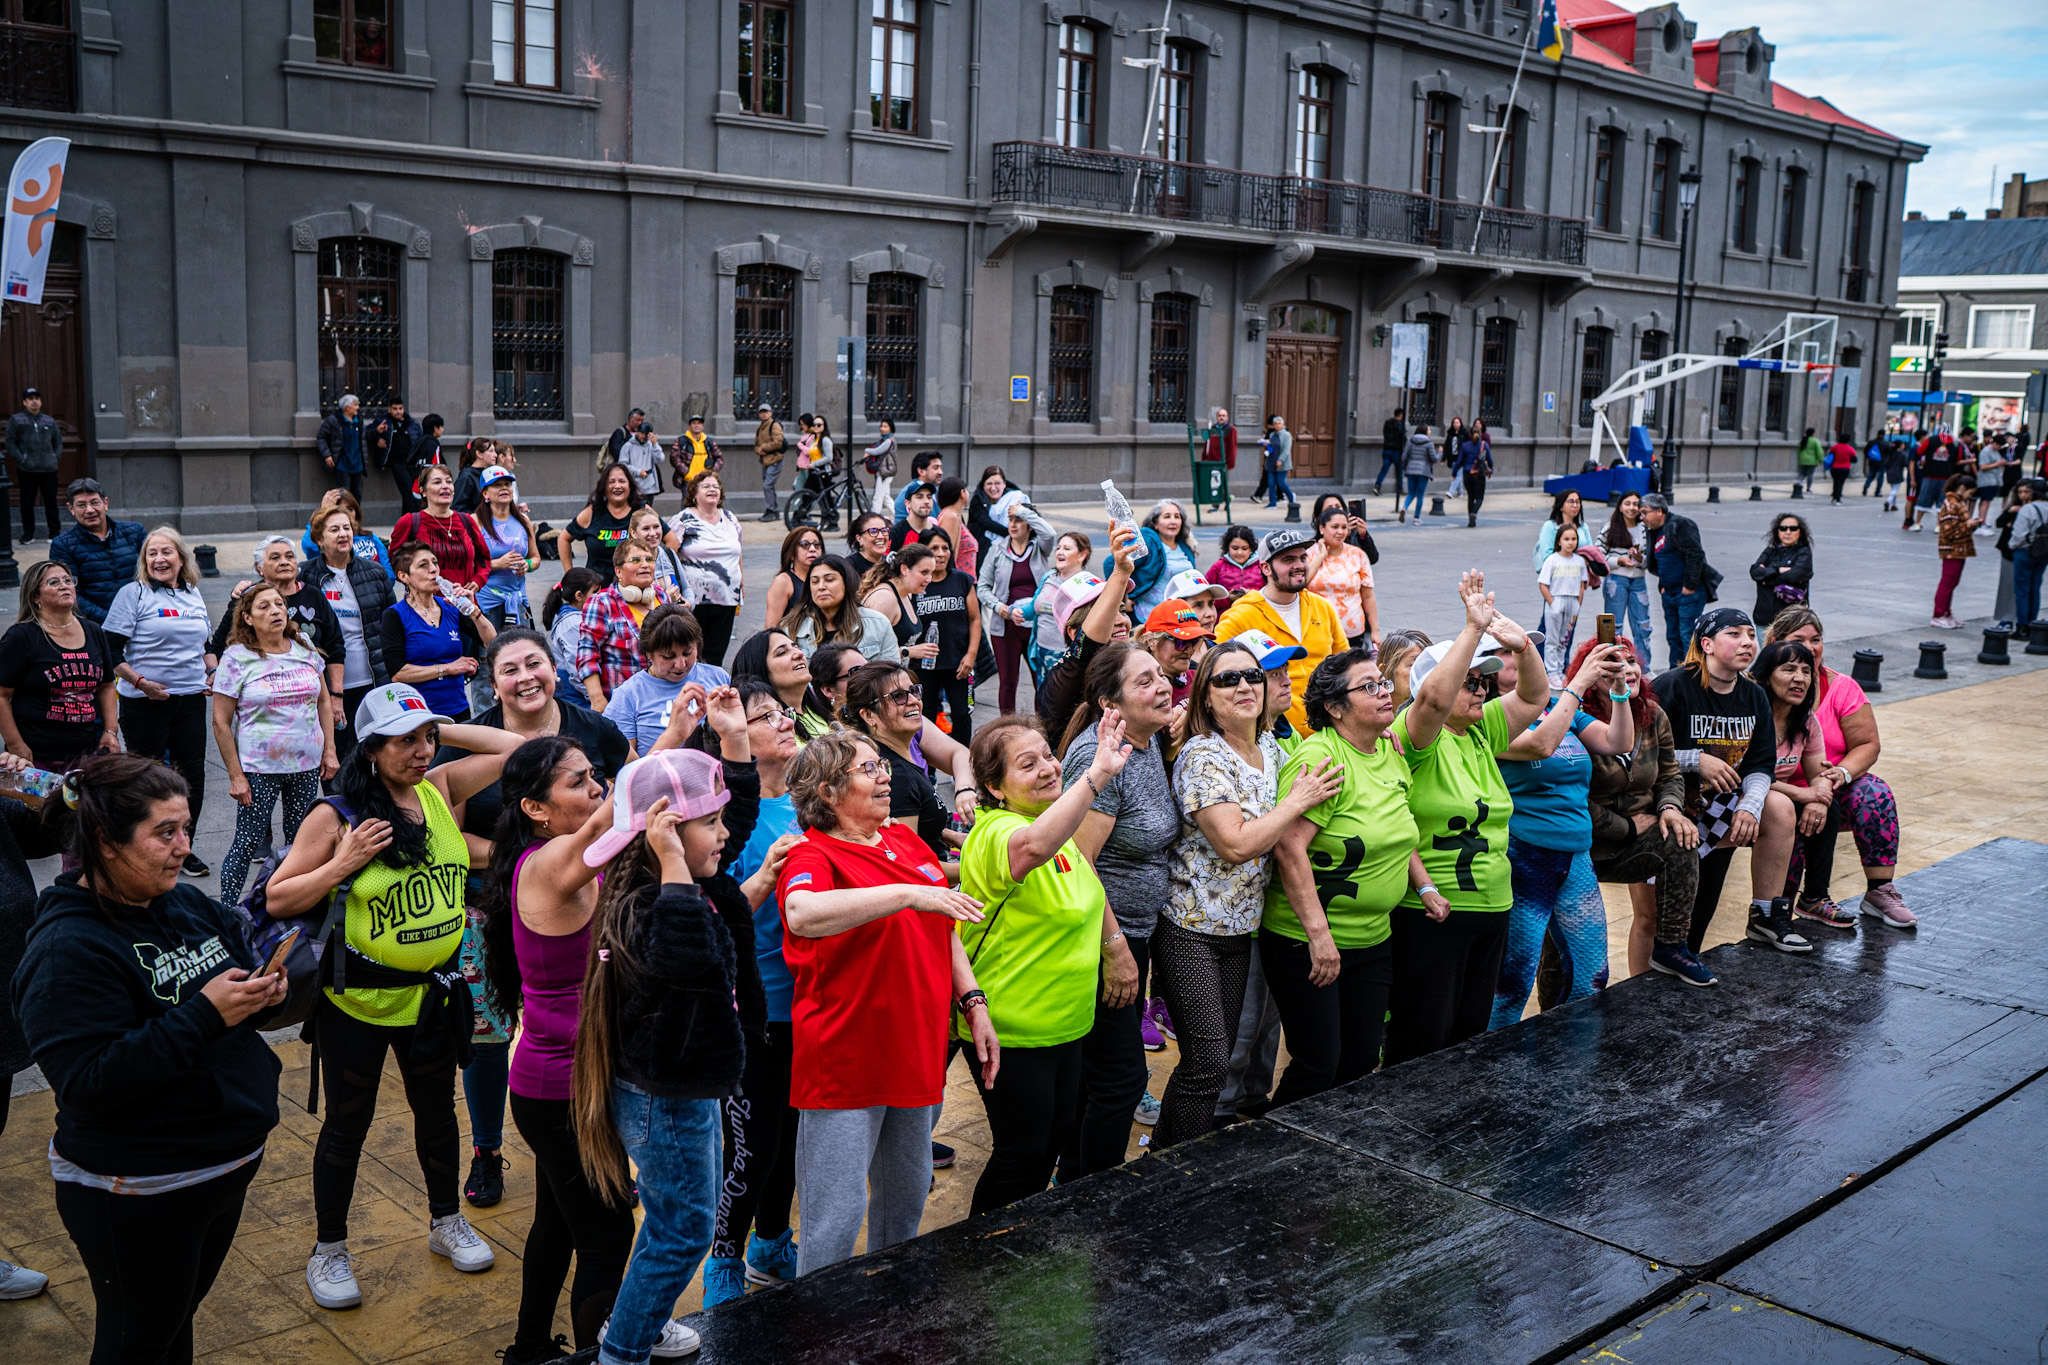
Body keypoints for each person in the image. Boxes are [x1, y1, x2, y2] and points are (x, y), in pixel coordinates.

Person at [14, 753, 291, 1358]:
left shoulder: (184, 904)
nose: (183, 846)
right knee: (135, 1342)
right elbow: (87, 1081)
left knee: (171, 1327)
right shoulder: (66, 949)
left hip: (219, 1165)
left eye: (187, 827)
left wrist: (262, 996)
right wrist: (207, 1012)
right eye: (164, 832)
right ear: (107, 843)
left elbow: (231, 990)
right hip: (138, 1189)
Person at [570, 720, 761, 1364]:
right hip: (664, 1101)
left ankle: (639, 1326)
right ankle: (622, 1351)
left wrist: (732, 741)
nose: (727, 834)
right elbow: (682, 960)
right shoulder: (651, 904)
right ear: (666, 835)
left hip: (688, 1091)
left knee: (684, 1223)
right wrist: (677, 863)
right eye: (711, 824)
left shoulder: (685, 889)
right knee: (683, 1233)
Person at [776, 729, 996, 1274]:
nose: (885, 777)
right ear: (827, 791)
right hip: (847, 1061)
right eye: (869, 769)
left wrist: (973, 1001)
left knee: (906, 1197)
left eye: (882, 766)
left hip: (915, 1047)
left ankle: (890, 1320)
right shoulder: (812, 853)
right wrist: (908, 894)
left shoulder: (903, 840)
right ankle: (819, 1332)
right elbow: (803, 914)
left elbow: (942, 929)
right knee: (836, 1216)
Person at [475, 736, 637, 1363]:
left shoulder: (557, 857)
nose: (595, 787)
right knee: (607, 1233)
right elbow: (616, 815)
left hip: (573, 1084)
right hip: (562, 1092)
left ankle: (531, 1348)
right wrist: (675, 735)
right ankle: (606, 1355)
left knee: (559, 1224)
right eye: (578, 781)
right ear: (535, 809)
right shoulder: (549, 866)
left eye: (595, 776)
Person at [1156, 643, 1340, 1138]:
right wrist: (1295, 802)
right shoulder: (1202, 754)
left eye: (1252, 678)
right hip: (1189, 928)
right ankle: (1169, 1161)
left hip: (1240, 929)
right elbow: (1235, 845)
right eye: (1227, 679)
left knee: (1215, 1060)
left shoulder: (1274, 751)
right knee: (1209, 1061)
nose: (1243, 687)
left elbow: (1337, 747)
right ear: (1205, 698)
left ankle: (1172, 1156)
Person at [956, 711, 1128, 1209]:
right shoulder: (998, 831)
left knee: (1054, 1140)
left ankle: (1023, 1242)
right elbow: (1030, 849)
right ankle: (982, 1255)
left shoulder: (1059, 827)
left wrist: (1114, 946)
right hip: (1011, 1027)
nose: (1049, 769)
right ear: (994, 787)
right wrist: (1097, 775)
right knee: (1021, 1153)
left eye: (1049, 756)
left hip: (1067, 1024)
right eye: (1027, 764)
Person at [1382, 577, 1549, 1065]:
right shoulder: (1418, 733)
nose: (1482, 689)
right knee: (1422, 1035)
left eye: (1484, 681)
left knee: (1469, 1033)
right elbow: (1433, 701)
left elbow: (1534, 698)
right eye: (1470, 681)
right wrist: (1472, 630)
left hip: (1492, 906)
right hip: (1434, 913)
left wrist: (1521, 647)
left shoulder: (1480, 730)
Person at [702, 681, 808, 1306]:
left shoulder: (809, 803)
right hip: (751, 1008)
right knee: (753, 1142)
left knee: (792, 1134)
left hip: (809, 1002)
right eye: (765, 719)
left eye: (783, 712)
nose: (784, 723)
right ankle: (725, 1256)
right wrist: (767, 874)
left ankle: (771, 1240)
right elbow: (713, 916)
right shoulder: (724, 819)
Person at [1057, 641, 1178, 1177]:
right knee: (1121, 1080)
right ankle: (1093, 1191)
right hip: (1101, 941)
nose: (1162, 686)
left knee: (1097, 1077)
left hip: (1134, 934)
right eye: (1145, 681)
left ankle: (1072, 1174)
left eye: (1161, 675)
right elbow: (1078, 864)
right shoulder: (1098, 757)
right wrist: (1115, 951)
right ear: (1112, 703)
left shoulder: (1146, 743)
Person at [1490, 640, 1636, 1025]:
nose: (1525, 656)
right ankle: (1489, 1071)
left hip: (1575, 854)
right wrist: (1579, 682)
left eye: (1530, 649)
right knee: (1512, 985)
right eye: (1511, 651)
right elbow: (1541, 744)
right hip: (1526, 855)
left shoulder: (1557, 706)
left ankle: (1569, 1062)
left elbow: (1618, 742)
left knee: (1593, 975)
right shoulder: (1489, 715)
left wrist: (1619, 691)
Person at [1651, 607, 1807, 955]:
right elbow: (1639, 752)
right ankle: (1646, 988)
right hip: (1667, 803)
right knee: (1656, 920)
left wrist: (1750, 808)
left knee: (1700, 911)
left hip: (1720, 808)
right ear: (1706, 643)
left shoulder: (1753, 696)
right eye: (1733, 634)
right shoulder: (1673, 686)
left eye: (1751, 635)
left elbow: (1760, 765)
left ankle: (1767, 913)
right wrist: (1696, 759)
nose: (1747, 642)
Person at [1762, 608, 1915, 929]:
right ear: (1775, 645)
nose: (1811, 647)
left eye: (1816, 640)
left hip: (1826, 785)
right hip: (1773, 791)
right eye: (1799, 640)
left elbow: (1868, 744)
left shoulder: (1841, 687)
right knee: (1786, 813)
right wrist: (1806, 794)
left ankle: (1878, 891)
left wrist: (1834, 779)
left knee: (1874, 793)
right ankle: (1776, 908)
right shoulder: (1755, 693)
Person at [1576, 636, 1709, 986]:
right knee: (1572, 950)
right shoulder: (1574, 721)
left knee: (1681, 839)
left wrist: (1669, 808)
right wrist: (1626, 827)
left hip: (1633, 840)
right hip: (1581, 845)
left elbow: (1669, 773)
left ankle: (1672, 946)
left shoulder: (1651, 715)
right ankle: (1555, 1015)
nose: (1626, 670)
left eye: (1631, 661)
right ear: (1591, 675)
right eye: (1613, 663)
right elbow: (1572, 798)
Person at [212, 584, 339, 902]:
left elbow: (324, 702)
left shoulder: (304, 645)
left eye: (279, 604)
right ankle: (227, 912)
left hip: (306, 766)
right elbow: (220, 722)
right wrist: (235, 775)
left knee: (302, 845)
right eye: (264, 607)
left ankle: (293, 907)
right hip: (260, 769)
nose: (275, 611)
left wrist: (329, 750)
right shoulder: (237, 657)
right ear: (248, 617)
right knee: (247, 842)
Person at [104, 527, 214, 876]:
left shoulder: (193, 594)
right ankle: (144, 851)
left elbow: (206, 646)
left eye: (166, 552)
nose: (159, 559)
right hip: (144, 702)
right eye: (152, 553)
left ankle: (183, 847)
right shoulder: (133, 594)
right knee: (147, 778)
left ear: (181, 558)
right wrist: (140, 682)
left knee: (191, 776)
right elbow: (111, 650)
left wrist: (213, 671)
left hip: (190, 699)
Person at [1746, 638, 1852, 935]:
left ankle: (1814, 898)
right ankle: (1768, 910)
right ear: (1766, 674)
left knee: (1827, 808)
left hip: (1776, 797)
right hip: (1744, 796)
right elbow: (1745, 773)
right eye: (1789, 669)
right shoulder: (1749, 713)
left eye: (1806, 671)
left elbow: (1821, 772)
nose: (1800, 678)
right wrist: (1803, 793)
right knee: (1789, 807)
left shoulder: (1805, 721)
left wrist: (1818, 798)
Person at [1215, 528, 1345, 735]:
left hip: (1328, 734)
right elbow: (1210, 672)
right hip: (1271, 737)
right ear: (1266, 568)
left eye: (1303, 557)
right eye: (1288, 560)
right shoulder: (1241, 615)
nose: (1299, 566)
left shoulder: (1323, 607)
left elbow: (1345, 667)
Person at [842, 660, 968, 864]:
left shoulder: (897, 752)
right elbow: (909, 864)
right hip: (932, 889)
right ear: (868, 715)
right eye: (898, 696)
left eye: (914, 691)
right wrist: (977, 869)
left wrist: (952, 836)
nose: (913, 701)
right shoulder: (894, 776)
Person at [0, 560, 119, 773]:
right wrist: (15, 744)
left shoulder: (93, 631)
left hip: (86, 753)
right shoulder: (22, 636)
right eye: (53, 582)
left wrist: (110, 731)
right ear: (35, 596)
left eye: (67, 580)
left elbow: (107, 686)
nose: (64, 586)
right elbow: (1, 695)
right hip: (37, 755)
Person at [384, 543, 497, 725]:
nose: (434, 570)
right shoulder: (395, 615)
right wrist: (448, 668)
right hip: (418, 713)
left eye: (435, 563)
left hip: (458, 709)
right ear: (404, 576)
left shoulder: (450, 606)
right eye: (423, 565)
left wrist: (474, 612)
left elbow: (493, 643)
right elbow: (398, 673)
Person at [599, 605, 732, 754]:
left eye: (687, 653)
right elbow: (623, 771)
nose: (681, 664)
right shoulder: (627, 696)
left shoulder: (719, 677)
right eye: (669, 656)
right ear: (649, 653)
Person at [979, 494, 1058, 713]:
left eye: (1018, 520)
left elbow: (1050, 532)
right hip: (1005, 627)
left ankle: (1044, 729)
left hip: (1037, 626)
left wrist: (1022, 510)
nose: (1012, 525)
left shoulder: (1040, 548)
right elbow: (982, 587)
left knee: (1041, 681)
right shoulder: (997, 550)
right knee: (1008, 684)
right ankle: (1007, 730)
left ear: (1029, 524)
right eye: (1010, 519)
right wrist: (998, 607)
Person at [576, 542, 665, 712]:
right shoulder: (602, 602)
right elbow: (587, 654)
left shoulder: (661, 596)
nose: (645, 564)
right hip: (623, 704)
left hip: (663, 697)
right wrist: (597, 699)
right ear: (618, 571)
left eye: (649, 559)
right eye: (636, 560)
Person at [912, 530, 982, 741]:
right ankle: (928, 771)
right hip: (924, 666)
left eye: (945, 548)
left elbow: (975, 619)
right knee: (926, 716)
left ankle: (962, 766)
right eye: (934, 548)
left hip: (959, 664)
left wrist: (971, 655)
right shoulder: (915, 584)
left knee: (962, 714)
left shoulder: (962, 579)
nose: (941, 554)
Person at [669, 472, 745, 666]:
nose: (712, 489)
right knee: (692, 651)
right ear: (694, 493)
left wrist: (741, 583)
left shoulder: (730, 518)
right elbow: (668, 556)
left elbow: (738, 552)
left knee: (716, 654)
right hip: (693, 599)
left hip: (727, 597)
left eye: (716, 487)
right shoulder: (683, 519)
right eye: (706, 486)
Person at [49, 478, 146, 624]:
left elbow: (154, 573)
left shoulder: (134, 532)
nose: (89, 510)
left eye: (95, 503)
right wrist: (111, 620)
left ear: (105, 503)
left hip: (142, 615)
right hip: (97, 624)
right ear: (71, 509)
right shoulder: (63, 544)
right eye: (81, 505)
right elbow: (70, 593)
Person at [1640, 493, 1715, 670]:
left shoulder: (1680, 524)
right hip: (1670, 592)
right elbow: (1660, 561)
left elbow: (1695, 555)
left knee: (1687, 636)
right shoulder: (1654, 531)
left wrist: (1689, 586)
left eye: (1644, 513)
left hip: (1687, 593)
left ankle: (1693, 673)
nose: (1642, 518)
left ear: (1659, 511)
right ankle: (1675, 673)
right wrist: (1663, 586)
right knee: (1673, 637)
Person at [391, 465, 494, 591]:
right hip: (426, 605)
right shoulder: (409, 522)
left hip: (464, 604)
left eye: (449, 481)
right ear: (423, 490)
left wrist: (478, 580)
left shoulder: (466, 521)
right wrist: (415, 585)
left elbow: (484, 559)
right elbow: (394, 562)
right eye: (437, 482)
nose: (445, 486)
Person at [785, 554, 896, 661]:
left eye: (829, 580)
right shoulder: (793, 626)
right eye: (814, 581)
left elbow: (891, 675)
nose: (821, 587)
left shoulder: (878, 624)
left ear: (847, 582)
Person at [1305, 504, 1380, 653]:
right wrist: (1321, 557)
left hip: (1352, 632)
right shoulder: (1308, 554)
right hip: (1317, 628)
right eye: (1335, 527)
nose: (1340, 532)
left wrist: (1375, 631)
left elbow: (1368, 596)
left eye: (1344, 527)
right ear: (1322, 528)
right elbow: (1299, 585)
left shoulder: (1357, 554)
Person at [559, 464, 647, 589]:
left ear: (630, 486)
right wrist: (569, 575)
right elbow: (563, 538)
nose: (617, 486)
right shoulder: (592, 512)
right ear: (604, 487)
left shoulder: (642, 511)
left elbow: (671, 540)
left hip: (635, 589)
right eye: (611, 482)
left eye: (622, 481)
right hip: (597, 590)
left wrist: (655, 569)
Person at [475, 467, 540, 630]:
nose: (504, 488)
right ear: (485, 493)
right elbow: (468, 564)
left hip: (517, 602)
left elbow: (535, 558)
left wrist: (527, 565)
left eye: (507, 484)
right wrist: (498, 563)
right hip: (486, 603)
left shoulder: (523, 520)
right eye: (497, 485)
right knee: (490, 653)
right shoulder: (476, 521)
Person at [862, 542, 939, 666]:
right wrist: (907, 651)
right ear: (904, 569)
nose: (929, 579)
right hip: (878, 680)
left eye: (931, 573)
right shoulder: (885, 599)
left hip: (895, 677)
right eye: (924, 572)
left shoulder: (907, 593)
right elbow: (866, 654)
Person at [6, 385, 63, 543]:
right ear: (24, 402)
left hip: (49, 469)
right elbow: (10, 442)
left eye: (37, 399)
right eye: (30, 399)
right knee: (27, 503)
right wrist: (21, 459)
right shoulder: (16, 420)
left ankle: (54, 533)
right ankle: (28, 534)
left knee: (51, 502)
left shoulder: (49, 421)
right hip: (27, 469)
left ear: (41, 402)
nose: (34, 402)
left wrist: (54, 457)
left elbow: (58, 442)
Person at [1601, 491, 1653, 659]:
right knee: (1613, 627)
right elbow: (1597, 556)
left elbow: (1652, 559)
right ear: (1620, 507)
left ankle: (1643, 666)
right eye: (1627, 503)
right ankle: (1613, 662)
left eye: (1636, 504)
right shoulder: (1609, 528)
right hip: (1616, 580)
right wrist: (1619, 561)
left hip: (1639, 580)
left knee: (1642, 625)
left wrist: (1640, 558)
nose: (1632, 508)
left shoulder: (1646, 529)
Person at [299, 488, 395, 579]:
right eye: (338, 509)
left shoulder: (370, 538)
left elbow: (388, 574)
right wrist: (323, 511)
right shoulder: (324, 542)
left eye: (349, 509)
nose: (344, 514)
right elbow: (309, 545)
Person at [543, 567, 603, 708]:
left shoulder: (572, 617)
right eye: (595, 592)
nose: (600, 596)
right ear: (579, 596)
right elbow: (577, 669)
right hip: (575, 696)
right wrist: (594, 696)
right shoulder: (573, 625)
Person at [1537, 523, 1589, 686]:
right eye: (1566, 539)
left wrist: (1578, 604)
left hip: (1572, 602)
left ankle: (1560, 671)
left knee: (1564, 639)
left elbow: (1582, 584)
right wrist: (1552, 603)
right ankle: (1551, 672)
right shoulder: (1552, 560)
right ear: (1559, 541)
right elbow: (1543, 584)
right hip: (1557, 600)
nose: (1570, 542)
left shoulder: (1580, 561)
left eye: (1573, 539)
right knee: (1552, 639)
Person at [1932, 474, 1983, 629]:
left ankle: (1946, 613)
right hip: (1952, 549)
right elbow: (1948, 531)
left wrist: (1972, 524)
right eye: (1970, 493)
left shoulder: (1957, 502)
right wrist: (1968, 525)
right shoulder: (1952, 504)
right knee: (1948, 582)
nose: (1970, 497)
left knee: (1952, 582)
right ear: (1962, 488)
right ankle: (1939, 614)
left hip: (1959, 549)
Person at [1750, 512, 1814, 629]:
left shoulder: (1804, 553)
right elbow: (1755, 572)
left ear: (1800, 532)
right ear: (1777, 531)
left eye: (1793, 528)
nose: (1788, 532)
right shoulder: (1770, 551)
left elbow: (1796, 575)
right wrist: (1779, 570)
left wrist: (1767, 578)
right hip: (1765, 617)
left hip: (1792, 620)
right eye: (1783, 528)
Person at [626, 505, 690, 609]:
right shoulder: (629, 563)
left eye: (656, 527)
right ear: (633, 533)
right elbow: (629, 606)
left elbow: (687, 589)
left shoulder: (669, 554)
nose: (653, 533)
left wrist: (689, 604)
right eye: (646, 529)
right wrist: (666, 598)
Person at [371, 397, 425, 515]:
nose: (398, 411)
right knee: (408, 492)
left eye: (400, 408)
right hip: (397, 463)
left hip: (412, 463)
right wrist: (377, 436)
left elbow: (420, 439)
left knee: (413, 492)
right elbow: (367, 433)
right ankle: (415, 518)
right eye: (395, 409)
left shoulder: (411, 423)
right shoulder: (384, 421)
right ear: (389, 409)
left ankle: (406, 519)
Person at [766, 526, 826, 628]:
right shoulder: (783, 582)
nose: (812, 549)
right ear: (792, 553)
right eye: (805, 545)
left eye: (817, 545)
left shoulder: (827, 579)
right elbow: (771, 627)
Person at [2008, 478, 2048, 629]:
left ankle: (2022, 625)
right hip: (2043, 551)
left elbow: (2019, 534)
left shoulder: (2029, 509)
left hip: (2025, 550)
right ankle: (2033, 623)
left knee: (2022, 590)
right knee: (2035, 587)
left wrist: (2012, 546)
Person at [318, 394, 368, 499]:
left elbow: (365, 435)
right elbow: (321, 437)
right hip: (342, 464)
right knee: (344, 496)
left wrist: (377, 431)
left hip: (357, 464)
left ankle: (355, 515)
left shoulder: (358, 420)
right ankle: (343, 515)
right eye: (355, 405)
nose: (357, 408)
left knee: (357, 495)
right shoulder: (334, 420)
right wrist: (327, 455)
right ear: (347, 407)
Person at [933, 476, 978, 581]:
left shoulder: (953, 516)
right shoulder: (951, 517)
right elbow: (950, 555)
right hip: (960, 583)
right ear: (962, 493)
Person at [967, 464, 1017, 553]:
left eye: (997, 483)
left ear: (1004, 484)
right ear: (983, 485)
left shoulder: (1015, 498)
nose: (993, 488)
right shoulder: (977, 501)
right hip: (983, 550)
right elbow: (986, 523)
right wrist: (1012, 534)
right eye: (989, 484)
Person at [1206, 524, 1264, 600]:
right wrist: (1227, 598)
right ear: (1227, 547)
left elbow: (1271, 595)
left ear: (1251, 548)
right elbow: (1206, 596)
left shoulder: (1261, 567)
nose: (1239, 552)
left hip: (1255, 610)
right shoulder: (1218, 567)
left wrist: (1254, 595)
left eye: (1244, 548)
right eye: (1235, 548)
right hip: (1226, 611)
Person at [752, 401, 788, 521]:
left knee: (768, 486)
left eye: (766, 412)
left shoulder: (774, 425)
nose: (764, 414)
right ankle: (774, 511)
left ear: (771, 413)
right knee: (769, 486)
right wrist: (758, 450)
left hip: (775, 459)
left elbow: (778, 442)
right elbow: (756, 444)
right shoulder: (760, 428)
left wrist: (764, 448)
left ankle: (771, 510)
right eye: (762, 412)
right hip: (765, 461)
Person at [1453, 422, 1494, 526]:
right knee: (1479, 497)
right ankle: (1474, 513)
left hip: (1467, 473)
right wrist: (1490, 470)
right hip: (1479, 474)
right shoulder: (1484, 445)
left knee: (1471, 497)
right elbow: (1490, 460)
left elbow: (1459, 461)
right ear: (1480, 434)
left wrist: (1454, 473)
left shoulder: (1465, 445)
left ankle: (1471, 521)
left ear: (1470, 434)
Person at [614, 420, 664, 501]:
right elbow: (622, 465)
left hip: (649, 486)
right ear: (637, 432)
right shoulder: (628, 446)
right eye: (642, 433)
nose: (644, 436)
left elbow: (660, 459)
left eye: (646, 434)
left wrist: (655, 445)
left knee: (647, 511)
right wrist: (638, 472)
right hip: (634, 486)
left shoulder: (651, 445)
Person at [1398, 423, 1436, 523]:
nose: (1430, 431)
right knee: (1420, 495)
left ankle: (1404, 508)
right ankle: (1416, 518)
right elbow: (1433, 458)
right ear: (1425, 431)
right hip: (1423, 472)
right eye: (1429, 430)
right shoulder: (1429, 443)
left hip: (1411, 470)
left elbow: (1404, 457)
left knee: (1411, 493)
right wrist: (1440, 453)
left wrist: (1405, 467)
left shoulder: (1410, 441)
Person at [861, 419, 898, 513]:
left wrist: (867, 450)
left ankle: (874, 519)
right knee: (886, 498)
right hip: (885, 471)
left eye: (885, 427)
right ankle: (901, 517)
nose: (882, 429)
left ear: (891, 428)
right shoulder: (884, 440)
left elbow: (877, 451)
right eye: (881, 426)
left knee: (877, 498)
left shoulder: (889, 441)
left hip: (885, 472)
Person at [891, 479, 939, 552]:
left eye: (929, 497)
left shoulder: (939, 533)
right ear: (908, 503)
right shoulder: (896, 533)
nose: (926, 501)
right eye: (919, 497)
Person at [899, 452, 947, 523]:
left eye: (940, 467)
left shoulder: (935, 490)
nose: (940, 472)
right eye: (935, 468)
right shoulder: (907, 493)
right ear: (921, 471)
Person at [846, 510, 893, 580]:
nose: (881, 536)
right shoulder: (849, 567)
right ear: (859, 538)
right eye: (873, 532)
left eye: (884, 530)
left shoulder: (891, 564)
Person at [1263, 415, 1296, 510]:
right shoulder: (1272, 434)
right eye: (1275, 424)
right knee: (1271, 483)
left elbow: (1286, 449)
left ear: (1283, 424)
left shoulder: (1286, 435)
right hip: (1271, 461)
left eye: (1279, 423)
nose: (1277, 425)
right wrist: (1265, 445)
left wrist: (1281, 460)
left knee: (1280, 482)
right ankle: (1272, 502)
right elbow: (1271, 446)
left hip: (1282, 463)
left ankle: (1291, 497)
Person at [1373, 407, 1408, 496]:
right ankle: (1400, 488)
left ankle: (1377, 486)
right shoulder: (1401, 425)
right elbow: (1403, 438)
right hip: (1396, 450)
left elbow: (1385, 433)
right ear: (1401, 415)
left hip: (1386, 449)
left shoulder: (1388, 423)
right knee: (1399, 470)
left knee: (1384, 469)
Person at [1827, 432, 1857, 504]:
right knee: (1840, 483)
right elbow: (1855, 459)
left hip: (1835, 468)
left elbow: (1830, 456)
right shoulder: (1850, 449)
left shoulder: (1835, 447)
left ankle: (1834, 497)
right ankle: (1838, 498)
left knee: (1835, 482)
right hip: (1845, 468)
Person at [1795, 426, 1824, 494]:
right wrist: (1821, 460)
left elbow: (1799, 451)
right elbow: (1819, 451)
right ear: (1813, 433)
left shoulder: (1802, 441)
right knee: (1810, 474)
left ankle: (1798, 482)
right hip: (1812, 461)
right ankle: (1808, 489)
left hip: (1803, 459)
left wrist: (1799, 458)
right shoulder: (1815, 441)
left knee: (1802, 473)